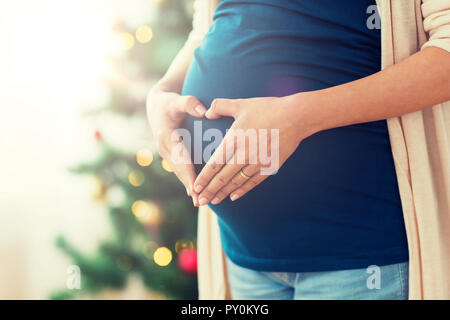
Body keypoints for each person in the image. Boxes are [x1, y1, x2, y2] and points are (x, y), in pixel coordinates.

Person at [147, 0, 450, 299]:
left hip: (358, 256)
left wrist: (299, 116)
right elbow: (208, 26)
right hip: (242, 257)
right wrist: (160, 94)